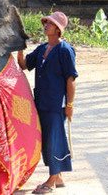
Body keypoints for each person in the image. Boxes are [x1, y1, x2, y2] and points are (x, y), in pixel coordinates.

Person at [17, 11, 78, 194]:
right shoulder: (42, 49)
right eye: (45, 23)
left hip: (55, 105)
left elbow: (71, 80)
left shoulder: (65, 50)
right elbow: (23, 65)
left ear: (58, 29)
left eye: (49, 24)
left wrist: (69, 106)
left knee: (53, 140)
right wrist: (20, 46)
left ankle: (51, 180)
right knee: (45, 140)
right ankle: (58, 177)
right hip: (41, 102)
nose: (45, 25)